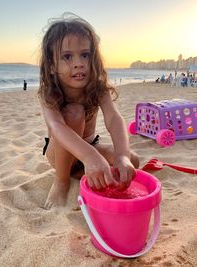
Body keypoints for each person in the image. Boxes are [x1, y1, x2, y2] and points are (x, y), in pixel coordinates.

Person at [38, 13, 139, 209]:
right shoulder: (49, 92)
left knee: (133, 161)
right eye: (67, 56)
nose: (79, 62)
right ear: (51, 66)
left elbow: (114, 119)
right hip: (60, 153)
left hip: (89, 146)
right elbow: (56, 127)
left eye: (85, 54)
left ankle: (84, 171)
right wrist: (90, 157)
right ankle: (62, 180)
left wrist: (122, 156)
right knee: (74, 113)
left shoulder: (97, 87)